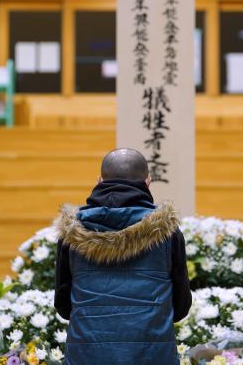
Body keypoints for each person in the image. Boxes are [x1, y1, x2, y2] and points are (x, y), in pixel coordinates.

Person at [54, 148, 192, 365]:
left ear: (99, 180)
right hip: (152, 356)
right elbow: (181, 306)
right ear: (148, 182)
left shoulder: (73, 231)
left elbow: (62, 305)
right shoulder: (168, 232)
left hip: (87, 356)